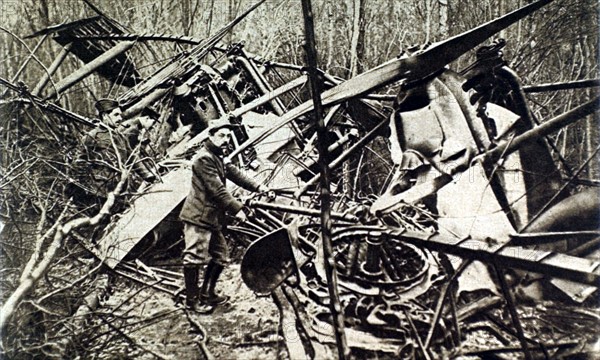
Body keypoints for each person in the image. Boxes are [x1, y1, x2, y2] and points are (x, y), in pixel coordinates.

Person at [179, 119, 269, 311]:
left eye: (228, 136)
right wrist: (238, 210)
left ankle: (207, 294)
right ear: (211, 136)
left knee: (221, 256)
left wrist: (259, 187)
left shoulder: (218, 155)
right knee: (194, 257)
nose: (226, 139)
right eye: (221, 135)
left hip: (212, 218)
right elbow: (218, 191)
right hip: (198, 216)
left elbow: (236, 174)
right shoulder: (203, 159)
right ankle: (192, 301)